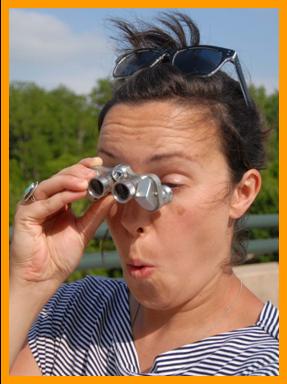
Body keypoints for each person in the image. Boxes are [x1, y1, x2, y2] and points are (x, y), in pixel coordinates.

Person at [10, 12, 278, 376]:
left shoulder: (263, 363)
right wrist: (28, 282)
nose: (133, 217)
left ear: (241, 193)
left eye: (167, 184)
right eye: (117, 181)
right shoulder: (72, 312)